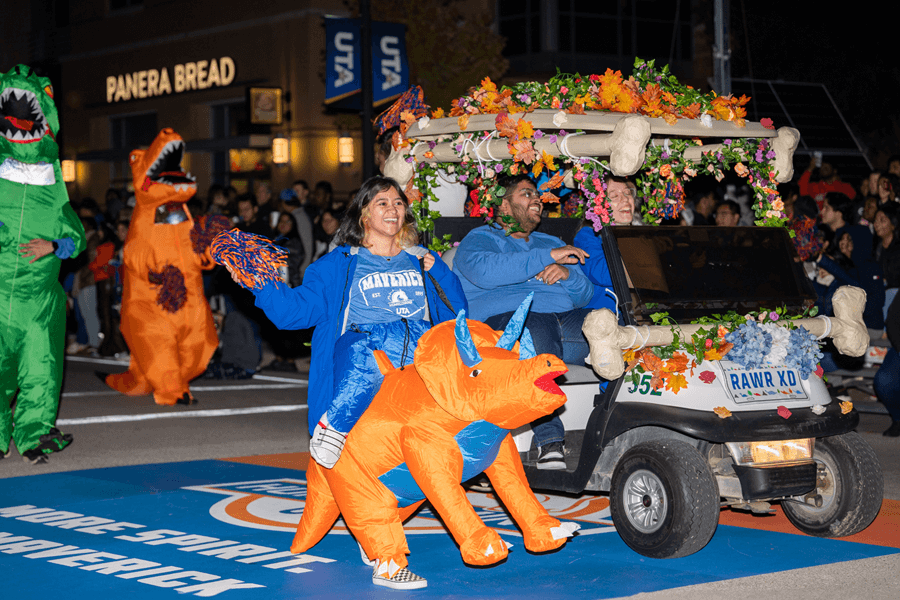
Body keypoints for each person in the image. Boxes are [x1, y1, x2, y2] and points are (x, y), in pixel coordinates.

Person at [237, 176, 467, 469]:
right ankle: (336, 424)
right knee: (364, 344)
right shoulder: (339, 264)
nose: (393, 208)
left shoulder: (423, 260)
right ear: (364, 214)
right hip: (363, 359)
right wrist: (260, 282)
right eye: (382, 202)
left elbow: (456, 317)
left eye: (398, 203)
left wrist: (441, 274)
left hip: (414, 361)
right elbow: (295, 312)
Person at [452, 174, 593, 470]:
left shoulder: (549, 241)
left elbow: (584, 295)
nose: (537, 200)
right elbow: (486, 273)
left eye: (538, 196)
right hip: (508, 328)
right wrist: (546, 258)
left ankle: (609, 429)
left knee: (603, 324)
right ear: (503, 206)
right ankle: (549, 440)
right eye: (527, 194)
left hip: (563, 324)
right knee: (533, 325)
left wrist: (567, 275)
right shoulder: (480, 239)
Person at [874, 203, 900, 321]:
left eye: (882, 220)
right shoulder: (876, 248)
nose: (876, 224)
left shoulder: (897, 248)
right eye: (875, 220)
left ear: (893, 224)